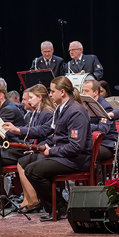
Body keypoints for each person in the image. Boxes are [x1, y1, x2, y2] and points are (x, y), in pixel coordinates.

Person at [24, 76, 92, 221]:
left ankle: (59, 208)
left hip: (77, 160)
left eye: (52, 91)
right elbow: (58, 136)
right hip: (66, 156)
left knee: (34, 171)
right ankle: (59, 206)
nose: (49, 94)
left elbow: (76, 146)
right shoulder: (62, 109)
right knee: (30, 168)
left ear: (62, 92)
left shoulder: (75, 112)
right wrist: (45, 147)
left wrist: (52, 151)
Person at [2, 84, 55, 213]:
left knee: (23, 162)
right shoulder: (38, 111)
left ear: (40, 98)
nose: (28, 101)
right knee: (23, 162)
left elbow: (45, 132)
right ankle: (28, 199)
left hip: (48, 148)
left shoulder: (47, 112)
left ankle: (33, 200)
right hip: (40, 147)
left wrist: (18, 130)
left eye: (31, 97)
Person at [81, 79, 118, 162]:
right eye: (82, 90)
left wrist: (84, 126)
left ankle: (95, 175)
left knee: (86, 155)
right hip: (92, 141)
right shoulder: (86, 104)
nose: (83, 94)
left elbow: (103, 129)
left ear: (95, 92)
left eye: (86, 91)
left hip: (107, 143)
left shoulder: (105, 107)